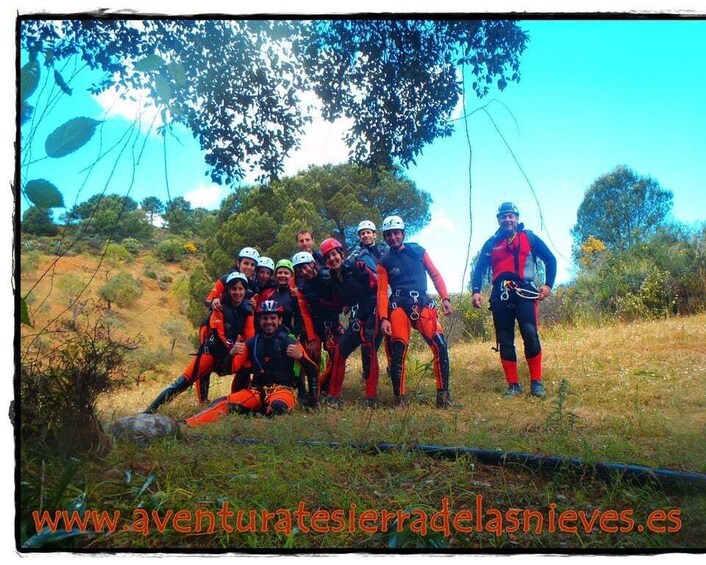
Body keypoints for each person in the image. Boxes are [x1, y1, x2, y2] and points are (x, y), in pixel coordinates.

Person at [183, 300, 319, 427]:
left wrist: (300, 357)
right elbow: (227, 371)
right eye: (265, 318)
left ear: (280, 320)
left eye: (273, 318)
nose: (269, 322)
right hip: (255, 392)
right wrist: (231, 355)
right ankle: (186, 425)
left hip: (282, 392)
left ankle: (262, 422)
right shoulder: (251, 343)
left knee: (278, 407)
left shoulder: (289, 341)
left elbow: (312, 370)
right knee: (221, 403)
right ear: (259, 321)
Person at [470, 202, 557, 398]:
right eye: (503, 216)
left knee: (530, 333)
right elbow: (479, 269)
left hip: (525, 290)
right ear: (498, 220)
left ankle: (536, 383)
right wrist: (476, 291)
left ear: (517, 218)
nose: (507, 219)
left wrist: (548, 285)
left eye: (511, 216)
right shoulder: (491, 243)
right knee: (505, 339)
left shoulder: (530, 238)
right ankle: (513, 386)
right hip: (500, 294)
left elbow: (550, 259)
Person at [144, 272, 255, 413]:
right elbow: (219, 334)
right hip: (212, 352)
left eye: (240, 289)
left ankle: (238, 407)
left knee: (246, 368)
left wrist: (241, 352)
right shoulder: (219, 306)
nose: (237, 292)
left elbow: (250, 335)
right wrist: (232, 349)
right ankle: (149, 411)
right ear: (228, 290)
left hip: (229, 355)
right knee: (184, 381)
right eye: (234, 289)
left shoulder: (248, 310)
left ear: (245, 291)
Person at [377, 215, 454, 408]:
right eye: (388, 235)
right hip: (398, 307)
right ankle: (399, 400)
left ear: (403, 233)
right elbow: (381, 292)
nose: (393, 238)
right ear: (385, 237)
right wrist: (383, 318)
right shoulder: (384, 261)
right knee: (398, 351)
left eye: (396, 233)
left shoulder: (418, 251)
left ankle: (443, 396)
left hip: (423, 303)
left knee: (440, 345)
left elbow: (435, 275)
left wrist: (445, 298)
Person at [319, 237, 380, 408]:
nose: (332, 259)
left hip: (374, 312)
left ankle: (371, 397)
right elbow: (341, 300)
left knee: (369, 350)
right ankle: (333, 396)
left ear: (341, 254)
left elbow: (378, 288)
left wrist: (375, 319)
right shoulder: (333, 278)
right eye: (328, 257)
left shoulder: (356, 266)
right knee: (341, 350)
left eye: (334, 254)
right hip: (358, 315)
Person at [291, 250, 343, 394]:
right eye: (300, 269)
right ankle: (314, 391)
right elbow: (305, 314)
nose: (304, 271)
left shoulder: (329, 276)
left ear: (313, 264)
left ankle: (326, 386)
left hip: (332, 324)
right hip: (315, 326)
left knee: (337, 357)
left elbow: (342, 292)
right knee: (313, 357)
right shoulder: (302, 289)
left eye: (306, 266)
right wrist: (312, 339)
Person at [206, 246, 260, 311]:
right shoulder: (224, 280)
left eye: (252, 265)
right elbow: (207, 301)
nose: (249, 267)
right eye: (246, 263)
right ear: (238, 263)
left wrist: (253, 304)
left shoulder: (253, 287)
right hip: (221, 318)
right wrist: (213, 301)